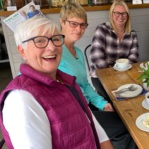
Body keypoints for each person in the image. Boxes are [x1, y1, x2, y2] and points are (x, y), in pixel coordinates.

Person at [0, 17, 113, 149]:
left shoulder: (65, 81)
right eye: (40, 41)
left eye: (55, 39)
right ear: (22, 51)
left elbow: (91, 123)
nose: (52, 47)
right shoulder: (21, 100)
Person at [58, 3, 136, 149]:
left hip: (86, 105)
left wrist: (102, 104)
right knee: (124, 127)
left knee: (124, 115)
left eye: (82, 25)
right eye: (73, 24)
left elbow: (85, 85)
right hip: (74, 114)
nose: (79, 29)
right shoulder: (54, 52)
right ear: (61, 21)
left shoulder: (78, 53)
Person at [90, 1, 139, 99]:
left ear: (127, 15)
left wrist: (121, 74)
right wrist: (113, 75)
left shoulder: (132, 34)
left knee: (134, 95)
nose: (120, 16)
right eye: (117, 13)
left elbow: (134, 57)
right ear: (112, 14)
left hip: (124, 75)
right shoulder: (102, 29)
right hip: (101, 76)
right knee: (114, 101)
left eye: (124, 13)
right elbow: (97, 57)